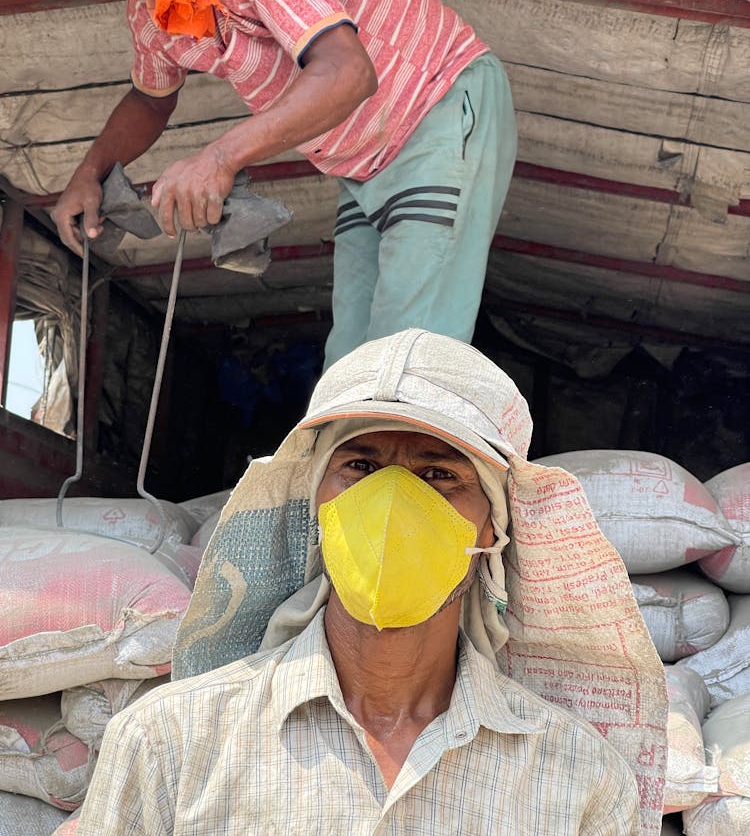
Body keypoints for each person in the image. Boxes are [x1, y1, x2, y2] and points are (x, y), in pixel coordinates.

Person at [76, 329, 668, 835]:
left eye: (438, 474)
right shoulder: (170, 740)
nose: (389, 505)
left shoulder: (581, 777)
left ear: (494, 527)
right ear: (318, 507)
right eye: (359, 466)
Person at [37, 0, 517, 368]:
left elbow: (348, 71)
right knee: (351, 366)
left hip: (437, 107)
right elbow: (151, 100)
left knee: (406, 361)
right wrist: (89, 172)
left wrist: (218, 158)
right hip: (361, 168)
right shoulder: (153, 10)